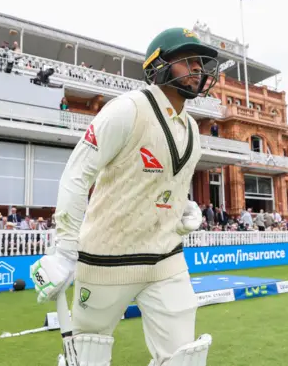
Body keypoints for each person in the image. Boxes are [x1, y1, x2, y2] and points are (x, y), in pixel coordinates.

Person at [30, 28, 220, 366]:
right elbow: (76, 176)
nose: (198, 70)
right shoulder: (126, 110)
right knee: (88, 356)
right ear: (158, 65)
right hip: (107, 260)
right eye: (187, 61)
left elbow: (169, 183)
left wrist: (186, 206)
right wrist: (64, 251)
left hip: (165, 259)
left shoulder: (192, 129)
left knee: (185, 358)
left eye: (200, 63)